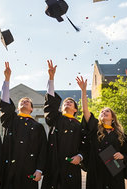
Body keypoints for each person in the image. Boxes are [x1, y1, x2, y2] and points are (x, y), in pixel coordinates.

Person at [78, 76, 127, 189]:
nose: (104, 112)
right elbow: (85, 111)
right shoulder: (95, 129)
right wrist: (83, 91)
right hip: (97, 171)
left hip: (114, 171)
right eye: (102, 112)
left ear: (112, 117)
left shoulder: (121, 135)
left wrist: (122, 156)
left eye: (107, 111)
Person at [0, 62, 47, 189]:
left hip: (29, 170)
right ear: (18, 107)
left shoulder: (38, 127)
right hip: (10, 168)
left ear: (31, 109)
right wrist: (7, 80)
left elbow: (43, 150)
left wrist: (40, 170)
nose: (24, 101)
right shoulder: (11, 120)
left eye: (28, 102)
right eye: (22, 101)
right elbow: (4, 104)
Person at [41, 60, 86, 189]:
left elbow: (86, 143)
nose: (67, 102)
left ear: (76, 109)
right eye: (65, 102)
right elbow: (50, 103)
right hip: (53, 164)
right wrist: (51, 78)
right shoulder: (56, 119)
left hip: (71, 167)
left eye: (71, 102)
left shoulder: (79, 125)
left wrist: (80, 156)